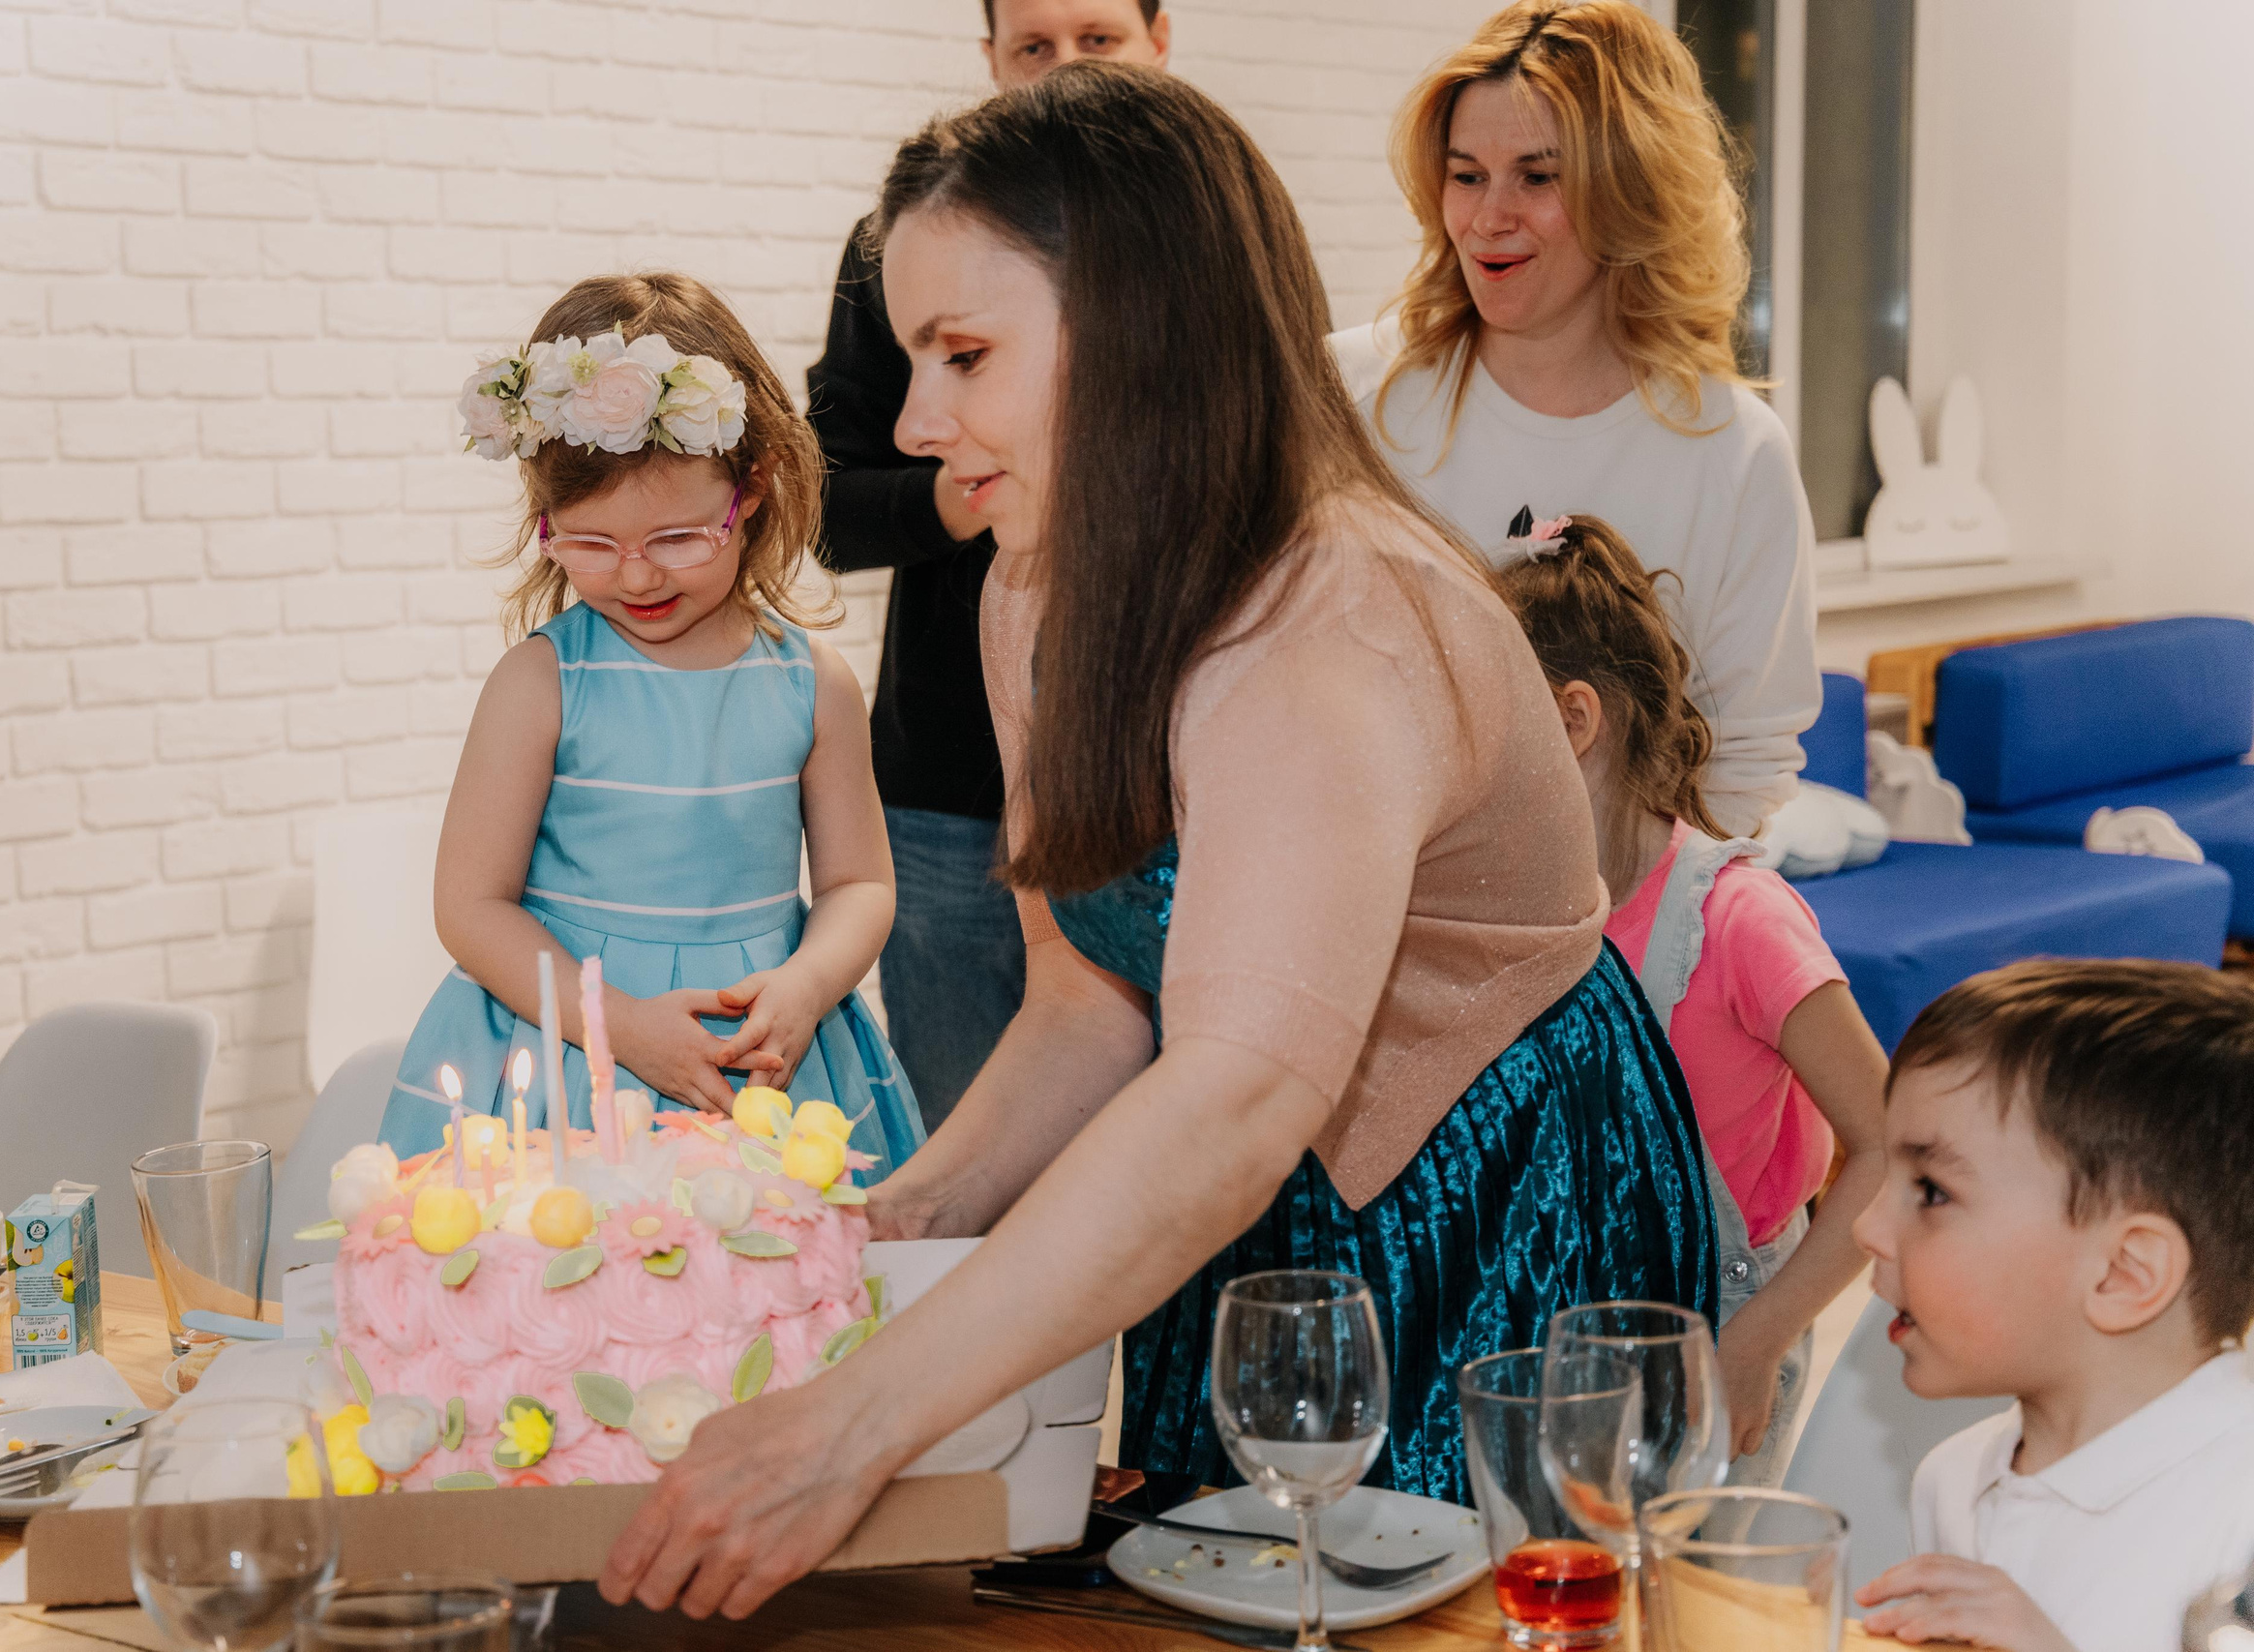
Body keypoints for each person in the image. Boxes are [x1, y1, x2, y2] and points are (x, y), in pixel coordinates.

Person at [597, 64, 1717, 1623]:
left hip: (1496, 1187)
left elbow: (1239, 1085)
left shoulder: (1334, 623)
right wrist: (897, 1224)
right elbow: (1091, 996)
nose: (918, 425)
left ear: (1141, 330)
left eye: (964, 354)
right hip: (1244, 1189)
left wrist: (852, 1420)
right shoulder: (1029, 590)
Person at [376, 273, 924, 1182]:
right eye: (590, 544)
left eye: (675, 539)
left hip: (765, 1062)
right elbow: (471, 906)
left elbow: (860, 881)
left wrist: (809, 983)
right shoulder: (542, 683)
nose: (636, 578)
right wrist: (620, 1029)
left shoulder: (811, 685)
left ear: (750, 488)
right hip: (567, 1061)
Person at [804, 0, 1170, 1133]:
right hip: (947, 792)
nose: (1063, 71)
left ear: (1161, 42)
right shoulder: (900, 250)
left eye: (1096, 39)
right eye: (1033, 47)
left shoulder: (1190, 258)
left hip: (1155, 780)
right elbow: (824, 507)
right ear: (989, 62)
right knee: (967, 1136)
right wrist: (956, 496)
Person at [1330, 0, 1818, 837]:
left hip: (1620, 948)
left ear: (1630, 190)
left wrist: (1644, 947)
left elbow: (1744, 771)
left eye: (1538, 175)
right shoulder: (1350, 393)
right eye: (1467, 174)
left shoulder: (1735, 455)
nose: (1489, 217)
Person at [1494, 512, 1887, 1487]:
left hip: (1719, 1339)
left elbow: (1891, 1144)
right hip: (1564, 1328)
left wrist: (1755, 1345)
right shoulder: (1513, 915)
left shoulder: (1738, 921)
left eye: (1480, 733)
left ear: (1574, 721)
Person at [1851, 961, 2254, 1652]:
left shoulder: (2238, 1521)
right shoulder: (1953, 1480)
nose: (1866, 1228)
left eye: (1931, 1190)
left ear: (2123, 1273)